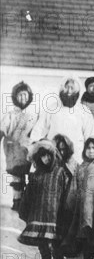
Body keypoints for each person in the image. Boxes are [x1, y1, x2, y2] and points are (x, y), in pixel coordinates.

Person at [18, 140, 70, 259]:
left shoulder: (60, 172)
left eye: (48, 155)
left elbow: (67, 192)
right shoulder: (36, 175)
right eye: (42, 156)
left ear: (53, 156)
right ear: (38, 157)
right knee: (42, 240)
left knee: (56, 240)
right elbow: (28, 194)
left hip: (55, 213)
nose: (46, 159)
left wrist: (66, 210)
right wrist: (24, 209)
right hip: (38, 213)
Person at [31, 75, 94, 163]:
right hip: (53, 159)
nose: (69, 91)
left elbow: (89, 137)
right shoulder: (51, 109)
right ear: (61, 89)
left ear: (77, 91)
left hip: (77, 159)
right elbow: (38, 131)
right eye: (66, 88)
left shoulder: (84, 112)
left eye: (72, 88)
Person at [1, 81, 38, 211]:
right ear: (15, 97)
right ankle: (16, 201)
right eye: (20, 95)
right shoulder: (10, 115)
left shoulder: (33, 116)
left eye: (25, 95)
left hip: (28, 151)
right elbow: (2, 129)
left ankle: (26, 203)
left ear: (29, 97)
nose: (23, 98)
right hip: (14, 151)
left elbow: (37, 132)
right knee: (17, 177)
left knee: (31, 177)